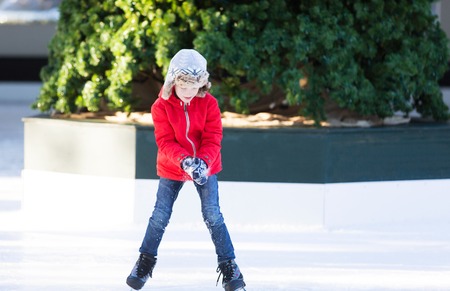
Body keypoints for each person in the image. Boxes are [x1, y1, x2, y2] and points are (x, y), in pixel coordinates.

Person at [126, 49, 246, 291]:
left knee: (213, 215)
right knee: (160, 215)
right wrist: (184, 161)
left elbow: (213, 137)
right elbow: (165, 140)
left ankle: (230, 266)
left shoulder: (209, 103)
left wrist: (202, 162)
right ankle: (145, 261)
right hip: (172, 165)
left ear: (202, 84)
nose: (190, 94)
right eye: (184, 88)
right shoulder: (161, 106)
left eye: (195, 88)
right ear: (173, 83)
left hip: (205, 165)